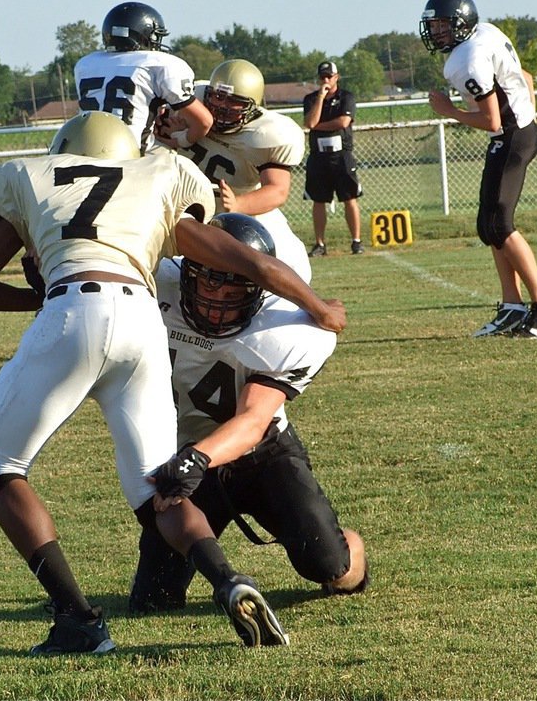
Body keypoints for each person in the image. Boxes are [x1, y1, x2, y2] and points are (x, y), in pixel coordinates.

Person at [0, 112, 346, 655]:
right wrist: (322, 308)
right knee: (156, 488)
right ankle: (229, 579)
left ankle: (77, 620)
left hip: (73, 305)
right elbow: (248, 260)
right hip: (142, 321)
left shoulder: (29, 176)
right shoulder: (154, 180)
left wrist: (40, 298)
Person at [129, 213, 368, 615]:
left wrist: (194, 459)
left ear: (259, 292)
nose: (216, 304)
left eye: (232, 293)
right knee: (154, 597)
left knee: (331, 566)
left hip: (260, 456)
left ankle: (348, 544)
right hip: (187, 451)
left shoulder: (284, 330)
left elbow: (254, 420)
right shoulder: (157, 287)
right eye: (207, 283)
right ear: (187, 274)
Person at [421, 0, 537, 338]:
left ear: (460, 24)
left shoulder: (464, 61)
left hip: (510, 137)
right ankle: (512, 306)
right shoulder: (486, 33)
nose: (437, 32)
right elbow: (525, 77)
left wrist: (449, 111)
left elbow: (492, 121)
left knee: (500, 223)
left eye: (442, 25)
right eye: (434, 25)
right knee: (488, 226)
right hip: (517, 134)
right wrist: (528, 117)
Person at [156, 58, 312, 283]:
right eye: (218, 97)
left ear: (252, 105)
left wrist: (239, 204)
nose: (222, 106)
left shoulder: (266, 134)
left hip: (246, 218)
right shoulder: (186, 108)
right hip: (186, 217)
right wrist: (171, 132)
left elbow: (277, 190)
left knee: (286, 267)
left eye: (234, 102)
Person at [74, 1, 212, 154]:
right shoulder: (160, 64)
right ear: (143, 36)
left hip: (85, 151)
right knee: (189, 175)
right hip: (131, 155)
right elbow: (204, 122)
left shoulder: (86, 64)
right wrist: (180, 141)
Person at [303, 61, 365, 257]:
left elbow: (343, 122)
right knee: (318, 200)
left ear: (337, 77)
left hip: (342, 155)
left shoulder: (346, 97)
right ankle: (320, 244)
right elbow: (310, 122)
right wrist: (320, 98)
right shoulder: (311, 99)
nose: (326, 80)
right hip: (318, 156)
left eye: (330, 76)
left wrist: (319, 125)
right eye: (323, 77)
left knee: (349, 198)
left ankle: (356, 241)